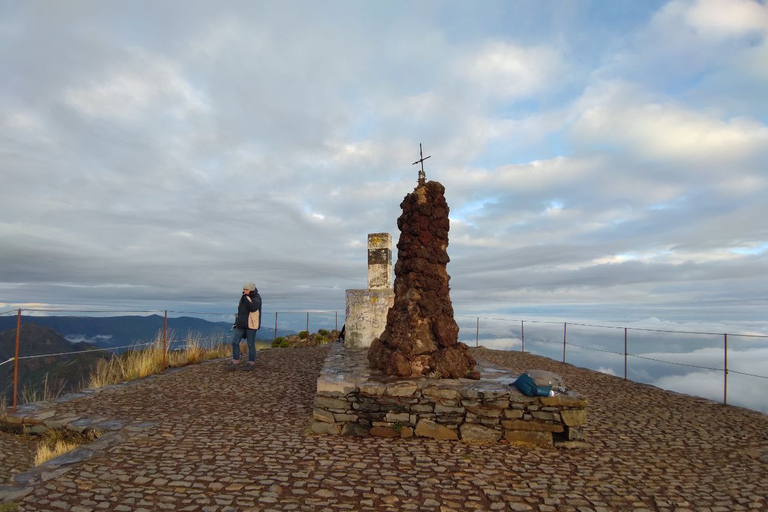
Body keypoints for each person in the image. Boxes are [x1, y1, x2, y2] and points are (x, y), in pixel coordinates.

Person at [229, 281, 262, 371]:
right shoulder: (243, 297)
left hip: (251, 325)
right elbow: (240, 312)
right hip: (241, 324)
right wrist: (236, 322)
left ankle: (251, 362)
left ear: (251, 289)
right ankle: (235, 360)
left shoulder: (256, 298)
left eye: (247, 289)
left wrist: (246, 298)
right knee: (235, 342)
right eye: (244, 289)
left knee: (250, 344)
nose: (245, 291)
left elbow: (253, 308)